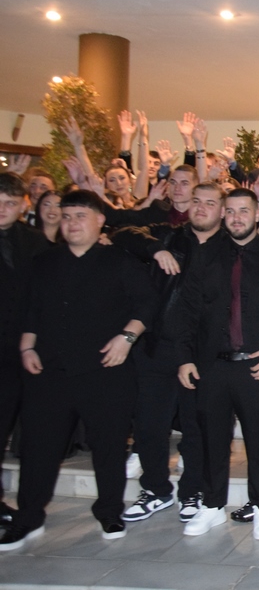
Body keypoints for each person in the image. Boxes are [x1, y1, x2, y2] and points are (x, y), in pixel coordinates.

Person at [0, 190, 157, 551]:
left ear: (100, 221)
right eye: (67, 216)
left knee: (109, 446)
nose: (71, 223)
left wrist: (126, 338)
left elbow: (147, 304)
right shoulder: (44, 261)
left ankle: (110, 511)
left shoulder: (120, 261)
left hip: (105, 370)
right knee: (38, 447)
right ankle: (29, 517)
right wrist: (27, 346)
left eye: (80, 216)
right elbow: (31, 309)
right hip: (49, 371)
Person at [174, 189, 259, 541]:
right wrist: (184, 358)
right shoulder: (205, 257)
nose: (236, 218)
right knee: (211, 440)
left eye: (243, 210)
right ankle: (212, 505)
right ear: (222, 214)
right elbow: (187, 311)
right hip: (212, 367)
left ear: (258, 213)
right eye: (230, 211)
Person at [113, 182, 227, 526]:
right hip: (157, 347)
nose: (201, 208)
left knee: (196, 427)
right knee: (150, 425)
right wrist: (155, 249)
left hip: (202, 353)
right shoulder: (168, 236)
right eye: (197, 201)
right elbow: (122, 233)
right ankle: (155, 489)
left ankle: (192, 491)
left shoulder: (229, 248)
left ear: (222, 210)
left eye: (210, 203)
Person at [0, 174, 50, 523]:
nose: (2, 210)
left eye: (10, 204)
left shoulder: (34, 241)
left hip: (26, 351)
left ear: (23, 205)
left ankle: (28, 506)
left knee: (30, 431)